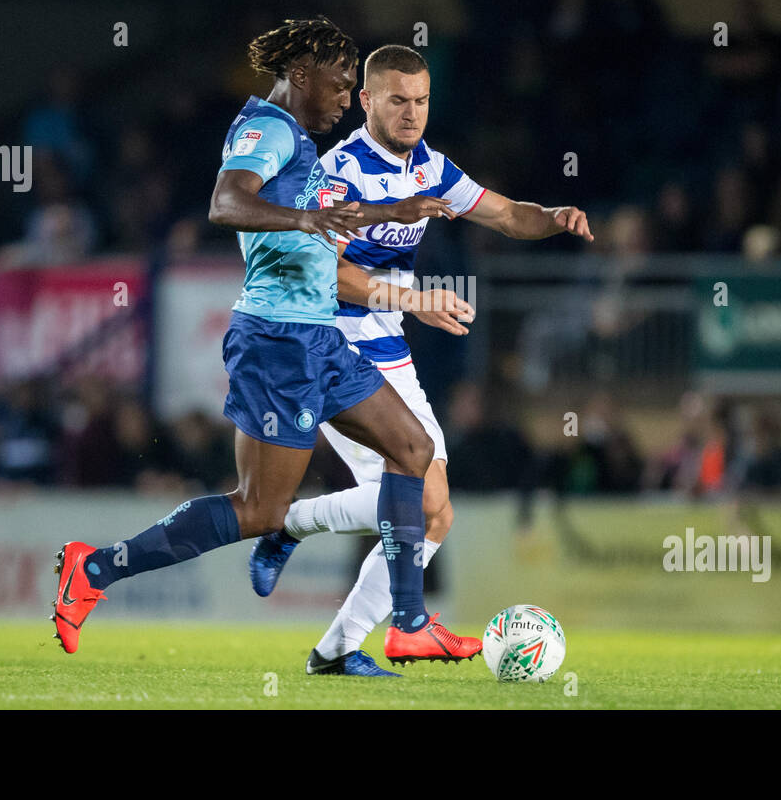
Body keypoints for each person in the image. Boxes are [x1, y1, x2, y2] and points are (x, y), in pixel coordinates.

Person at [51, 19, 479, 667]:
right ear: (302, 75)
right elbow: (227, 201)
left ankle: (409, 622)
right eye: (339, 86)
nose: (345, 101)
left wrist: (384, 212)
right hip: (277, 339)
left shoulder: (295, 137)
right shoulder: (268, 129)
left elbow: (315, 214)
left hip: (320, 335)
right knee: (258, 507)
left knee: (412, 448)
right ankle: (95, 570)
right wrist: (308, 217)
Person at [245, 44, 594, 675]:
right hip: (333, 347)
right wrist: (414, 299)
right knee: (420, 492)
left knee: (436, 512)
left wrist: (554, 217)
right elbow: (330, 278)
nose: (411, 115)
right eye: (398, 101)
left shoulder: (431, 166)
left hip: (390, 350)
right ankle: (299, 539)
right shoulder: (337, 174)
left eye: (422, 101)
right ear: (367, 101)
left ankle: (334, 643)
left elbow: (508, 215)